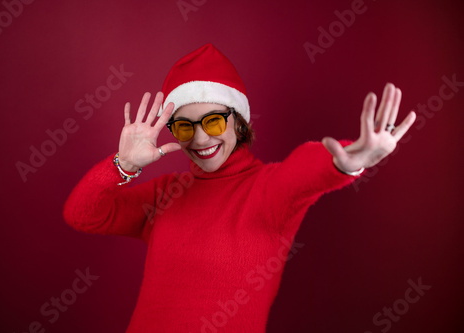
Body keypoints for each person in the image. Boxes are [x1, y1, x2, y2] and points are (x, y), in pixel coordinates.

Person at [63, 43, 416, 332]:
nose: (200, 138)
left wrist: (350, 159)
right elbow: (82, 215)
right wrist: (122, 165)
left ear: (239, 122)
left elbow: (307, 169)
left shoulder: (268, 191)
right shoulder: (164, 195)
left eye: (214, 121)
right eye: (185, 127)